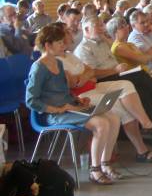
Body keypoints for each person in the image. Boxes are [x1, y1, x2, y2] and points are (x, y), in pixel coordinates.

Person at [26, 24, 120, 185]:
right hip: (55, 115)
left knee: (114, 118)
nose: (64, 45)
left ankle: (105, 164)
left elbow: (64, 92)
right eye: (60, 43)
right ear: (48, 45)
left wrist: (77, 100)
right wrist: (59, 109)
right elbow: (31, 101)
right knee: (102, 123)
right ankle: (95, 170)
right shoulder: (38, 68)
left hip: (69, 108)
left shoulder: (59, 63)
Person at [56, 23, 152, 163]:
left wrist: (85, 75)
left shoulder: (69, 55)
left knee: (127, 85)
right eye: (67, 32)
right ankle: (131, 153)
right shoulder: (58, 60)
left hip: (92, 86)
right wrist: (85, 76)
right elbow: (74, 83)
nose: (71, 34)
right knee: (121, 106)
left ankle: (145, 123)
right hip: (79, 96)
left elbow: (90, 71)